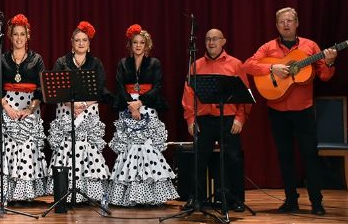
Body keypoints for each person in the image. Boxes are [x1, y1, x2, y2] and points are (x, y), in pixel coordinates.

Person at [243, 7, 337, 215]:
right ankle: (290, 200)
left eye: (290, 20)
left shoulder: (310, 46)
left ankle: (316, 201)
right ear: (277, 26)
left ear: (297, 23)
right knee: (284, 156)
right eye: (281, 21)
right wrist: (271, 68)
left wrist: (329, 62)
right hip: (277, 110)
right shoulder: (268, 47)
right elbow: (248, 65)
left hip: (303, 109)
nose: (286, 24)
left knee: (310, 155)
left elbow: (324, 76)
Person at [109, 24, 178, 206]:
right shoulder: (123, 63)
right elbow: (119, 86)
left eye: (142, 42)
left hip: (147, 106)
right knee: (129, 148)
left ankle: (151, 196)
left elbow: (158, 87)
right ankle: (129, 196)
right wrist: (132, 106)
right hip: (127, 106)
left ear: (147, 45)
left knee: (148, 147)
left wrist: (141, 102)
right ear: (130, 45)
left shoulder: (154, 63)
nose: (138, 46)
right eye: (135, 42)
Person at [181, 28, 250, 211]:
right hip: (204, 119)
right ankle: (196, 198)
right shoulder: (196, 65)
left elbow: (244, 94)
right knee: (198, 159)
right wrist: (190, 120)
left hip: (228, 119)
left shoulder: (236, 64)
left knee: (233, 158)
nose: (211, 43)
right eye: (208, 39)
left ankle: (236, 199)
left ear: (223, 41)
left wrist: (240, 118)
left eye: (215, 39)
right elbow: (188, 96)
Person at [48, 21, 111, 202]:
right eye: (77, 40)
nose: (81, 43)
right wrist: (71, 104)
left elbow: (100, 89)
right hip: (66, 110)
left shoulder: (95, 63)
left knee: (88, 148)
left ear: (89, 44)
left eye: (84, 40)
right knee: (66, 148)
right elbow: (55, 89)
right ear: (72, 42)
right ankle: (66, 194)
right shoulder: (62, 62)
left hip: (88, 110)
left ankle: (88, 194)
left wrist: (82, 105)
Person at [0, 13, 48, 201]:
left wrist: (29, 110)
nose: (19, 38)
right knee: (9, 149)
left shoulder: (36, 59)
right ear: (10, 36)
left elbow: (41, 89)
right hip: (8, 105)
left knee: (28, 148)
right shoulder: (3, 58)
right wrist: (7, 108)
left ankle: (27, 193)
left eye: (22, 34)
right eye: (15, 34)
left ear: (27, 36)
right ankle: (7, 192)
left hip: (29, 107)